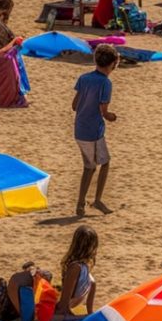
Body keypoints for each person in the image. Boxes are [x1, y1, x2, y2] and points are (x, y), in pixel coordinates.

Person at [3, 225, 98, 321]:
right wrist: (90, 311)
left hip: (60, 312)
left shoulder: (74, 268)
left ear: (75, 244)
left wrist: (66, 313)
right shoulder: (86, 270)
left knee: (16, 281)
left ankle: (28, 314)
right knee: (32, 278)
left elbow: (64, 305)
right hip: (63, 308)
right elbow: (92, 285)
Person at [73, 44, 119, 217]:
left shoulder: (84, 78)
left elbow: (74, 105)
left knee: (89, 167)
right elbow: (104, 111)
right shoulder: (105, 83)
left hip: (79, 130)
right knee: (104, 163)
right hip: (94, 131)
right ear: (113, 64)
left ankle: (80, 203)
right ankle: (97, 200)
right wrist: (111, 116)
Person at [0, 0, 28, 108]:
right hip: (4, 54)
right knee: (10, 79)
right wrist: (15, 40)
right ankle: (6, 99)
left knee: (3, 78)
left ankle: (1, 96)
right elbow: (3, 42)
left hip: (4, 54)